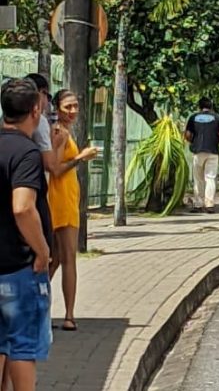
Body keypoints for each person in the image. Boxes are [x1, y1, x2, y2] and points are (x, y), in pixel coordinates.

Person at [0, 78, 53, 391]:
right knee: (21, 347)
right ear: (36, 109)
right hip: (19, 268)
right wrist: (43, 250)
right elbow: (22, 208)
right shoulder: (27, 153)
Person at [48, 89, 99, 332]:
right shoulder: (59, 132)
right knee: (68, 259)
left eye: (76, 106)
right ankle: (69, 315)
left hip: (66, 199)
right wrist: (81, 157)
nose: (73, 111)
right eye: (68, 106)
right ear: (57, 108)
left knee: (56, 259)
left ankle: (34, 307)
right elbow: (56, 169)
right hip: (60, 201)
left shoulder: (62, 131)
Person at [185, 98, 219, 214]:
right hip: (213, 151)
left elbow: (187, 135)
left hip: (198, 151)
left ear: (199, 106)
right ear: (211, 106)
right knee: (210, 178)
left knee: (198, 179)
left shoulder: (193, 117)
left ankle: (198, 204)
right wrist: (218, 140)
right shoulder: (218, 118)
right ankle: (209, 205)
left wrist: (193, 141)